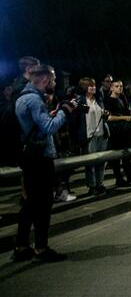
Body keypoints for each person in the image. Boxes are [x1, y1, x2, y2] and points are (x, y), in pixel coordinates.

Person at [12, 65, 76, 262]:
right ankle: (41, 247)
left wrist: (54, 112)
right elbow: (49, 127)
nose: (55, 84)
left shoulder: (22, 98)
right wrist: (65, 112)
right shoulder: (34, 99)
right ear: (45, 80)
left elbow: (38, 125)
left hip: (30, 156)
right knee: (43, 204)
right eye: (54, 80)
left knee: (30, 203)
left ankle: (21, 246)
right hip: (39, 158)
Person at [74, 77, 110, 196]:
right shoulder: (80, 101)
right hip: (89, 136)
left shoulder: (99, 99)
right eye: (90, 86)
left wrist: (106, 114)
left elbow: (103, 114)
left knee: (101, 162)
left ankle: (100, 184)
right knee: (90, 164)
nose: (93, 87)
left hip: (101, 134)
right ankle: (92, 186)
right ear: (84, 88)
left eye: (94, 85)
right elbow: (76, 120)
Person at [104, 80, 131, 186]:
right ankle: (119, 179)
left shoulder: (123, 99)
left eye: (121, 86)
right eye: (117, 86)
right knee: (116, 158)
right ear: (111, 88)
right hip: (116, 132)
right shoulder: (108, 101)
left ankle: (130, 176)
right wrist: (126, 118)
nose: (120, 88)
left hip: (126, 131)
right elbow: (109, 118)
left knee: (127, 156)